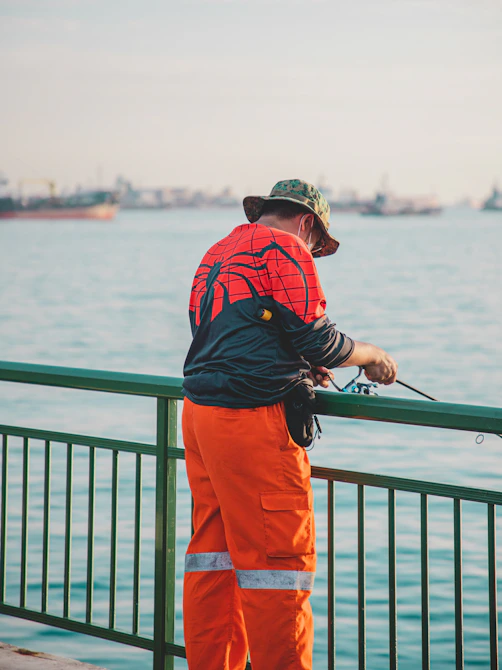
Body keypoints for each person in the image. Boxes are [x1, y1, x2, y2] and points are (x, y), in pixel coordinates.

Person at [181, 179, 397, 670]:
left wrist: (291, 362)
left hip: (199, 416)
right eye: (317, 247)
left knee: (212, 562)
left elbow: (234, 332)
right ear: (307, 224)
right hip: (250, 424)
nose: (313, 254)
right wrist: (373, 356)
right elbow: (323, 341)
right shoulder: (285, 247)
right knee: (277, 570)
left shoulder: (221, 249)